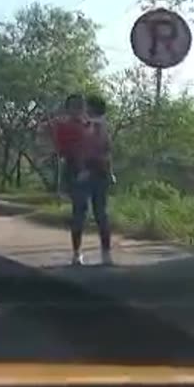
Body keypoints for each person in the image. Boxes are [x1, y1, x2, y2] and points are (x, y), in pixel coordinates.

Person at [70, 94, 114, 266]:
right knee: (100, 215)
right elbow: (107, 152)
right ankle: (104, 254)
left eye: (87, 107)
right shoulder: (101, 127)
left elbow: (85, 150)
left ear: (92, 109)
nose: (85, 109)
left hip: (89, 173)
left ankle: (78, 254)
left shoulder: (90, 126)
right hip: (97, 173)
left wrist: (83, 169)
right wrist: (110, 172)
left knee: (82, 215)